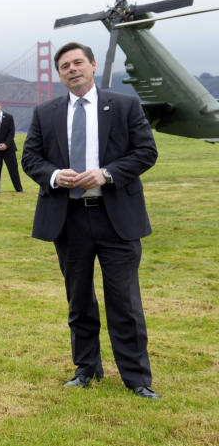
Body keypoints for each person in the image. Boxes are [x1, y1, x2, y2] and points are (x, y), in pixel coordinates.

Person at [21, 42, 159, 399]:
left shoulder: (125, 106)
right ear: (60, 73)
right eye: (64, 65)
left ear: (93, 65)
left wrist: (108, 174)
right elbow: (31, 158)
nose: (72, 69)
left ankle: (137, 379)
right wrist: (54, 176)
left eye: (78, 62)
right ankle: (86, 369)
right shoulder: (45, 112)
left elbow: (146, 152)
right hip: (68, 220)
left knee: (124, 302)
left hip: (116, 220)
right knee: (78, 300)